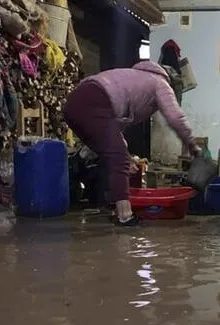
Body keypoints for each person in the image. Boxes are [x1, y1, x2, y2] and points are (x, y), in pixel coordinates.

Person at [64, 60, 201, 226]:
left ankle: (98, 200)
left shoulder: (135, 77)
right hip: (94, 100)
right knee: (117, 158)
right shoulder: (160, 82)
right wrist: (193, 146)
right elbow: (175, 117)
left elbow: (114, 129)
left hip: (73, 104)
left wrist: (127, 156)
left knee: (109, 155)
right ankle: (125, 216)